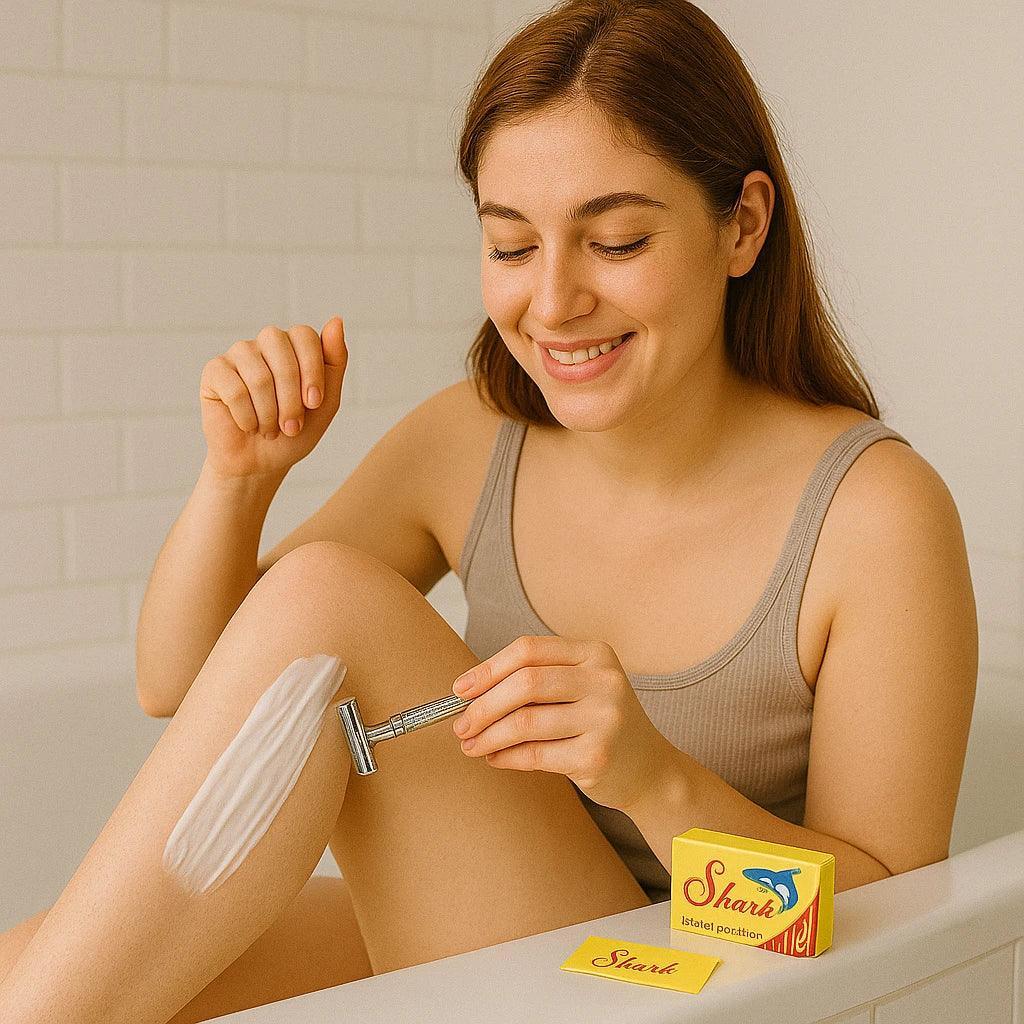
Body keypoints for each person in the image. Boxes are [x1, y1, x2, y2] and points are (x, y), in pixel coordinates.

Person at [0, 0, 977, 1021]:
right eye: (512, 247)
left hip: (709, 986)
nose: (551, 302)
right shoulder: (469, 441)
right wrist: (238, 480)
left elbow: (900, 933)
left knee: (328, 596)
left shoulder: (874, 515)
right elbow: (183, 683)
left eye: (614, 239)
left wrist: (652, 779)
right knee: (23, 969)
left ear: (741, 225)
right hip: (501, 934)